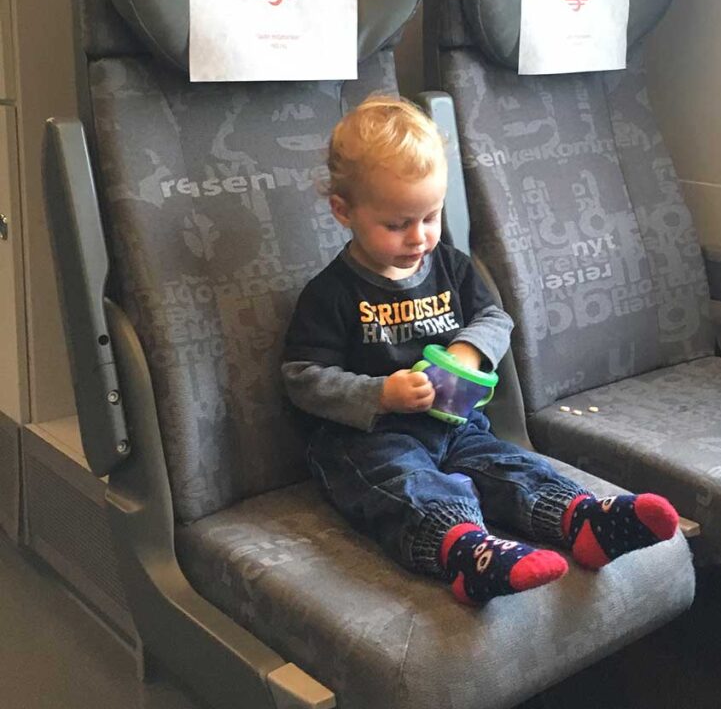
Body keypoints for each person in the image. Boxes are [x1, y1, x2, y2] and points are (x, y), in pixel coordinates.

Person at [282, 96, 679, 604]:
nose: (420, 237)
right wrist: (381, 393)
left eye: (430, 216)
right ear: (344, 211)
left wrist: (469, 350)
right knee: (404, 481)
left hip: (457, 424)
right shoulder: (331, 293)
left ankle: (580, 519)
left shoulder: (451, 267)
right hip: (370, 439)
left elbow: (495, 318)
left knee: (504, 465)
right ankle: (468, 553)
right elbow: (302, 376)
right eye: (397, 224)